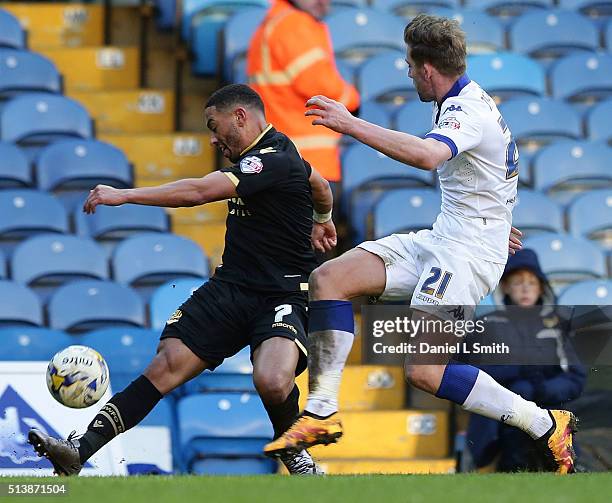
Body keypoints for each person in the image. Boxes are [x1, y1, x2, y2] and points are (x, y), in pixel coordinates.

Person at [264, 14, 578, 474]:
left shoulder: (466, 110)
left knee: (424, 372)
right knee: (329, 278)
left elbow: (428, 156)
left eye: (411, 65)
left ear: (428, 66)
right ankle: (323, 411)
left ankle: (545, 424)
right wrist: (495, 219)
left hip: (465, 254)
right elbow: (489, 172)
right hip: (447, 237)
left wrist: (350, 124)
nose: (409, 73)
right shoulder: (460, 102)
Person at [28, 84, 337, 476]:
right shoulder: (280, 155)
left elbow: (197, 192)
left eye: (214, 125)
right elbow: (320, 185)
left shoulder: (271, 159)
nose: (212, 137)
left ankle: (296, 452)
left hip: (282, 293)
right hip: (231, 288)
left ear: (239, 117)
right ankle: (79, 451)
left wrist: (124, 196)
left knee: (272, 381)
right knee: (166, 366)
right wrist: (323, 221)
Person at [466, 249, 586, 472]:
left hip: (549, 409)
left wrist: (544, 390)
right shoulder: (487, 324)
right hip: (500, 417)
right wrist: (517, 377)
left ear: (541, 287)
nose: (525, 288)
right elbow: (472, 373)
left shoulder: (558, 326)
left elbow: (575, 377)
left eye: (531, 282)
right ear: (505, 288)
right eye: (517, 282)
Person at [247, 0, 360, 184]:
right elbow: (321, 85)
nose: (323, 2)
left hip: (285, 157)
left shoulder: (276, 21)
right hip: (305, 162)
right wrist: (354, 99)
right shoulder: (294, 24)